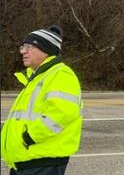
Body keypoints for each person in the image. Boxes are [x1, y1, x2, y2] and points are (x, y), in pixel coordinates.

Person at [1, 26, 83, 175]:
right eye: (23, 47)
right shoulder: (37, 77)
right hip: (26, 162)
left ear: (46, 49)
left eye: (29, 47)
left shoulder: (60, 74)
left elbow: (62, 114)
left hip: (41, 163)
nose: (23, 51)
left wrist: (29, 137)